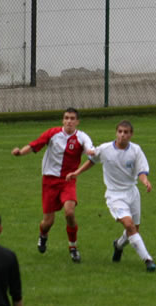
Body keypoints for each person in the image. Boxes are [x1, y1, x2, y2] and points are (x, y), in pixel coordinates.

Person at [66, 119, 156, 272]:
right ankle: (148, 260)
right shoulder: (105, 148)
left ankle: (118, 245)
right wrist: (77, 173)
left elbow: (141, 170)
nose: (122, 135)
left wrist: (145, 181)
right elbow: (92, 160)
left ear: (131, 134)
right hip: (115, 195)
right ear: (116, 132)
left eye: (126, 132)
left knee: (134, 230)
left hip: (132, 193)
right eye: (120, 131)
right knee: (129, 225)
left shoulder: (136, 150)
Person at [11, 107, 94, 263]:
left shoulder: (82, 137)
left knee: (69, 213)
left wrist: (90, 152)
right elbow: (35, 144)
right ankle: (43, 235)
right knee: (48, 222)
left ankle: (73, 247)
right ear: (63, 120)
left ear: (77, 122)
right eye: (66, 118)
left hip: (69, 180)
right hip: (49, 181)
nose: (69, 121)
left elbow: (90, 148)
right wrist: (20, 152)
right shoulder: (53, 133)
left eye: (72, 118)